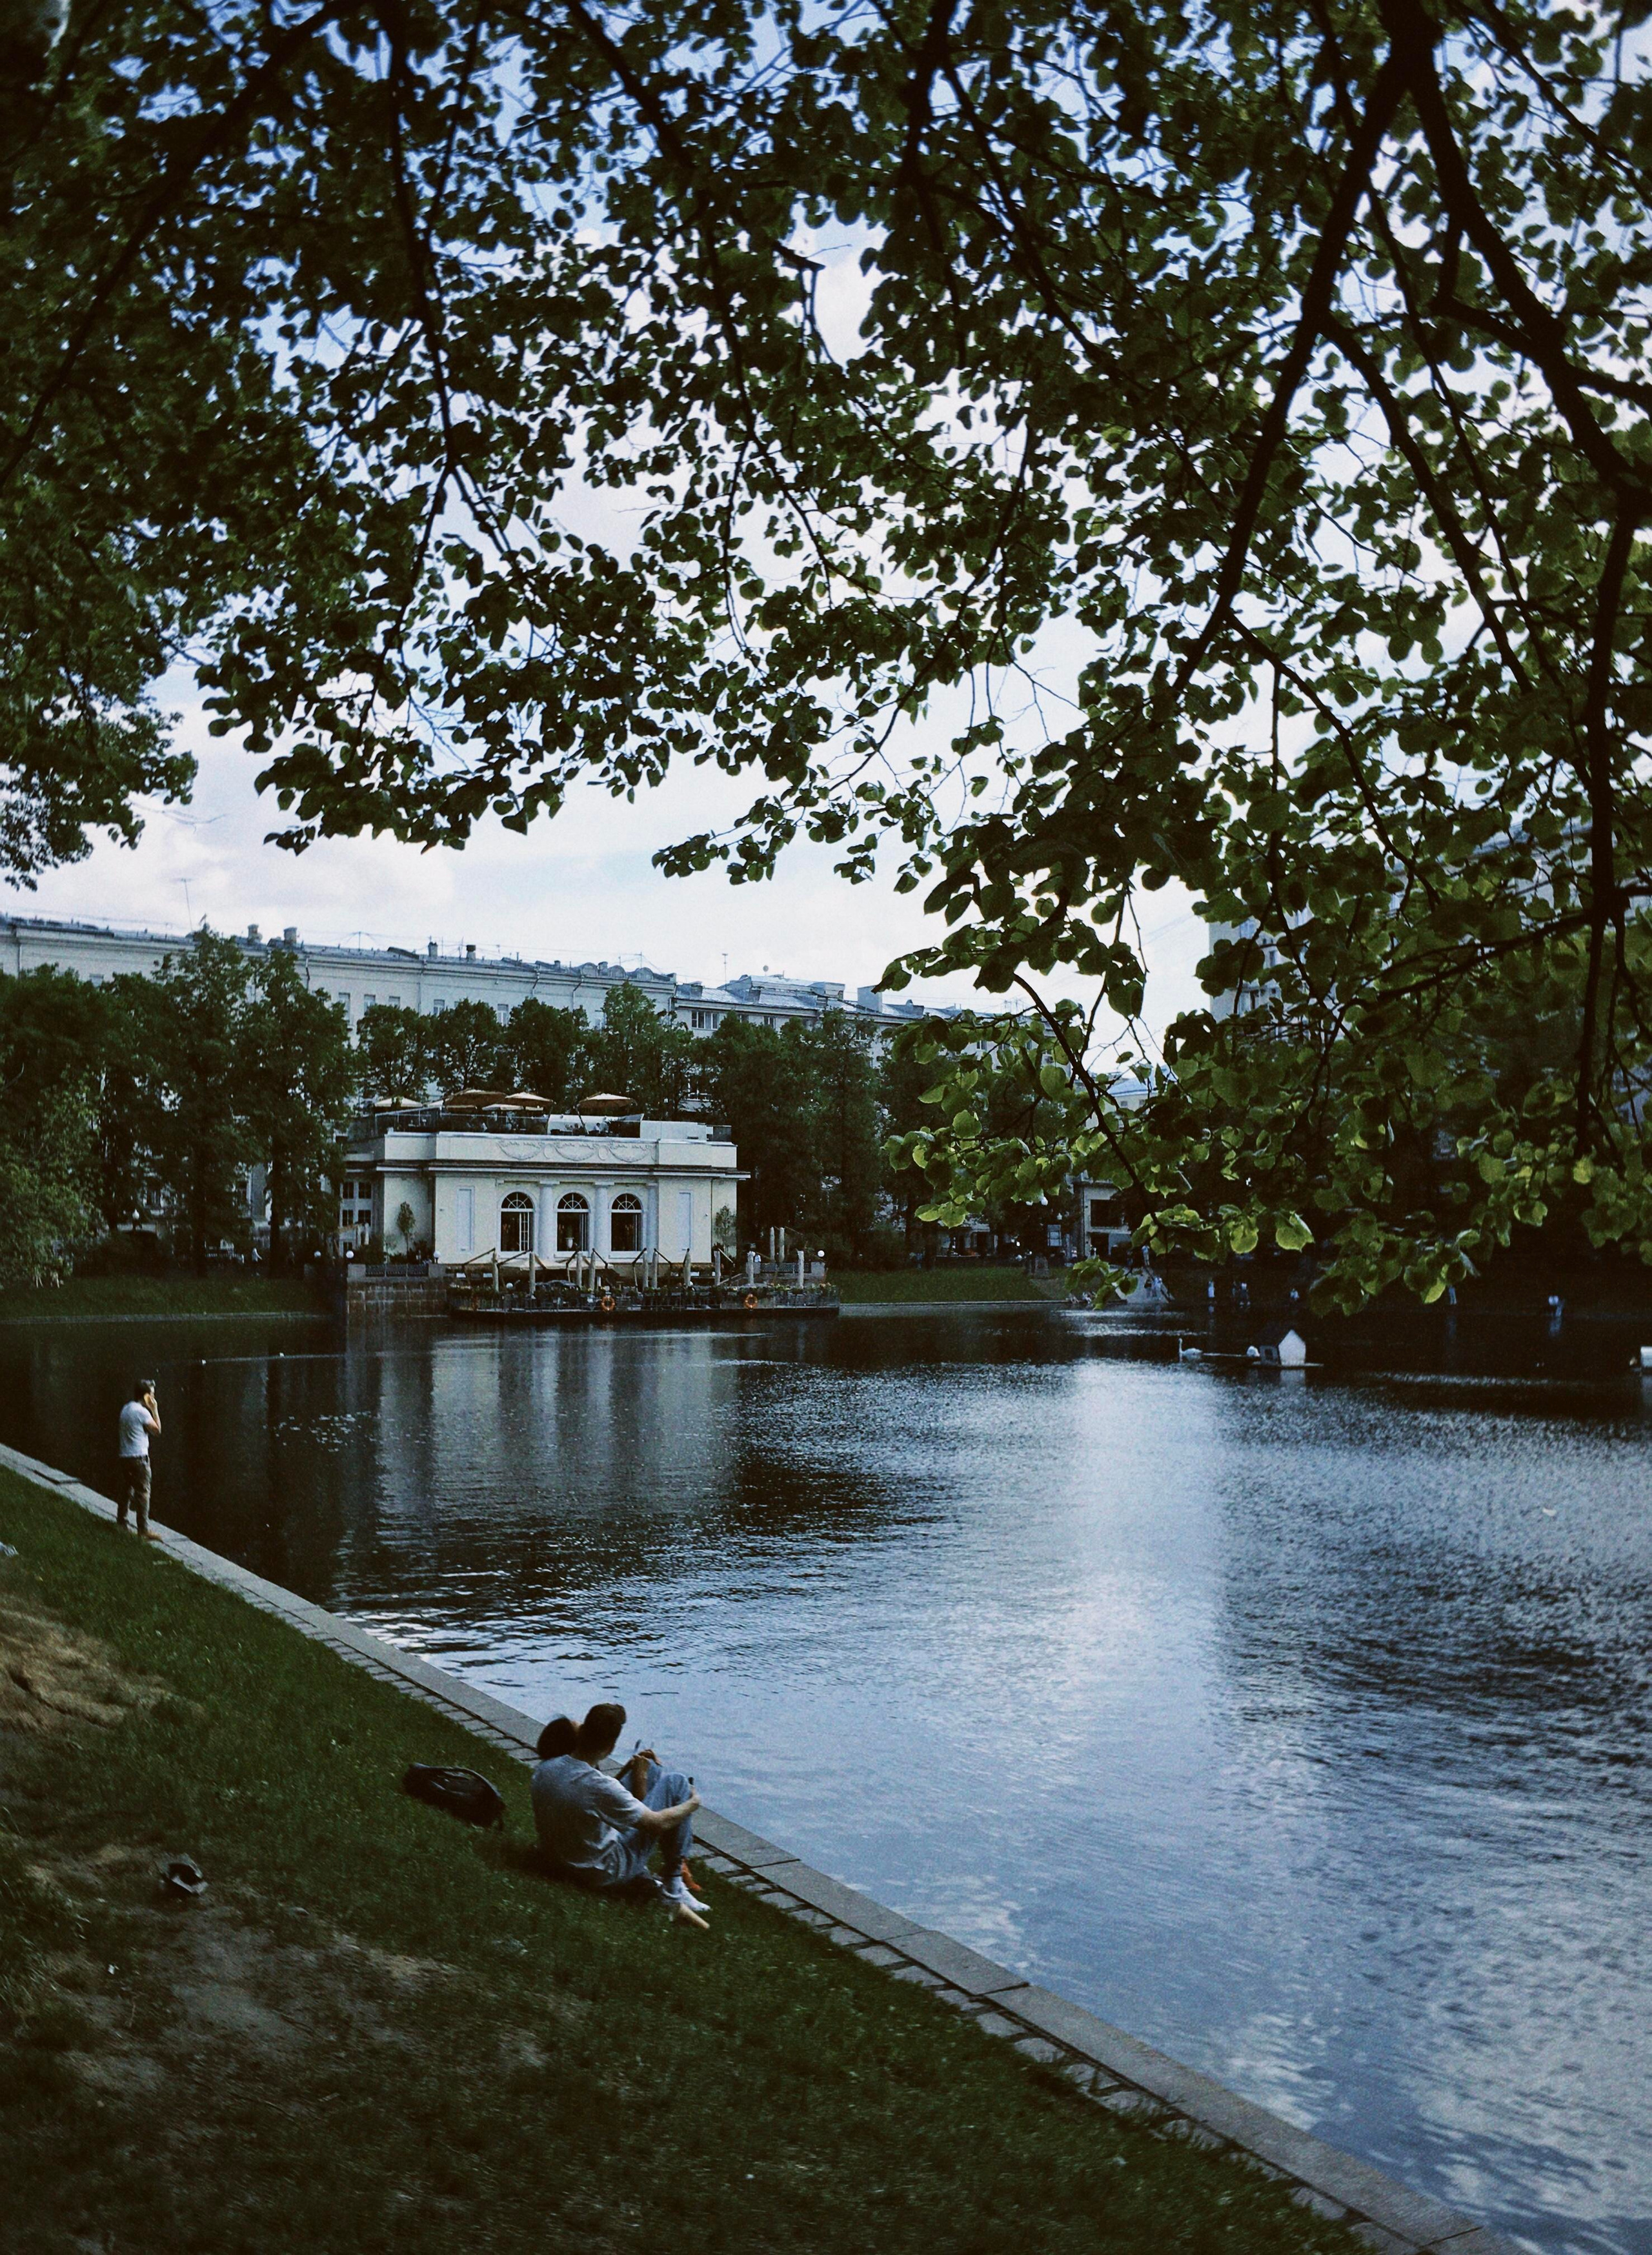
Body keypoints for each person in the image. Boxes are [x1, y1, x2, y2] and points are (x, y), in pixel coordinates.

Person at [532, 1701, 707, 1926]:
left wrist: (632, 1772)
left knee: (650, 1769)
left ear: (583, 1732)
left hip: (560, 1858)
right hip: (603, 1871)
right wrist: (694, 1803)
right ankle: (673, 1889)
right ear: (611, 1748)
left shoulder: (546, 1769)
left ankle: (672, 1885)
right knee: (677, 1783)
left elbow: (593, 1798)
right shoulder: (599, 1786)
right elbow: (656, 1824)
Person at [116, 1378, 162, 1541]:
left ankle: (121, 1522)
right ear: (147, 1397)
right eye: (152, 1395)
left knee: (126, 1492)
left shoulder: (126, 1408)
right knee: (143, 1493)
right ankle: (143, 1530)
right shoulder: (143, 1412)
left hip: (125, 1456)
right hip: (139, 1458)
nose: (154, 1398)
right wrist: (155, 1410)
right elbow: (157, 1431)